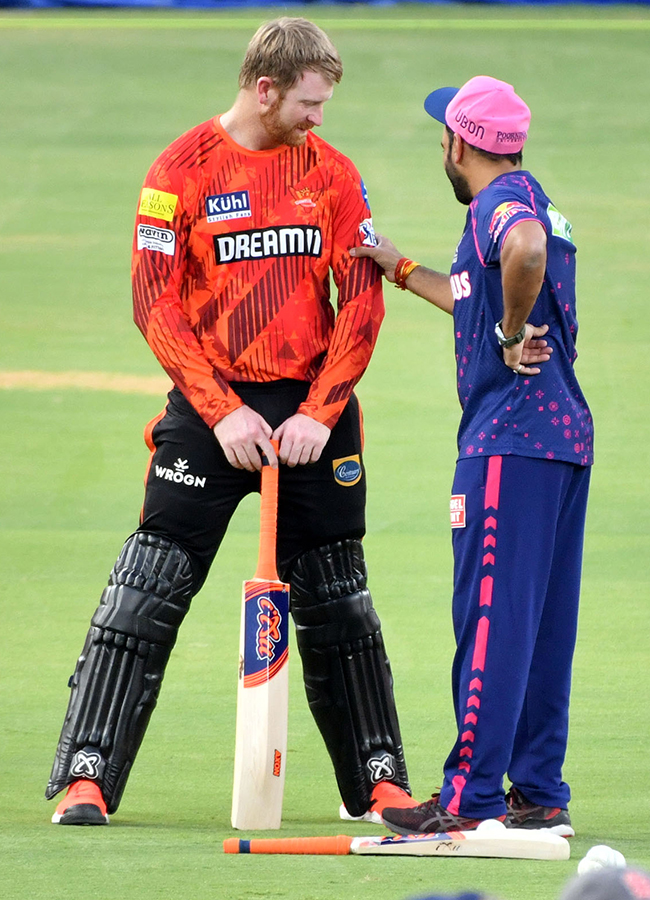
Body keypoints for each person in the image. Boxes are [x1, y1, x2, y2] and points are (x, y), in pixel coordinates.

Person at [45, 17, 416, 826]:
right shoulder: (177, 172)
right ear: (264, 88)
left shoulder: (335, 175)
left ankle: (381, 782)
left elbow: (359, 303)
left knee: (338, 598)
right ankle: (88, 776)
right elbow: (155, 304)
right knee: (149, 585)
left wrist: (321, 412)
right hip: (212, 409)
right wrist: (221, 412)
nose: (319, 117)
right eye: (309, 102)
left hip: (312, 415)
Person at [352, 76, 593, 835]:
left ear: (460, 143)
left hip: (509, 442)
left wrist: (509, 334)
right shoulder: (535, 195)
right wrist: (397, 267)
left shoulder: (500, 209)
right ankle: (539, 792)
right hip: (561, 441)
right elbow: (483, 286)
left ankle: (471, 798)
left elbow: (518, 253)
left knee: (489, 618)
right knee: (542, 623)